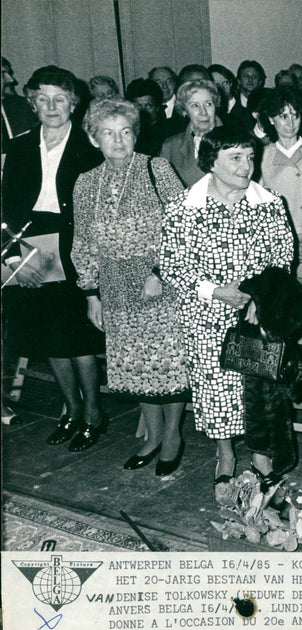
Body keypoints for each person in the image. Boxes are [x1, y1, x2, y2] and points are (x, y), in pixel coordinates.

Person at [159, 125, 294, 485]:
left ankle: (262, 457)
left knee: (260, 389)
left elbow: (284, 257)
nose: (246, 166)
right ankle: (225, 453)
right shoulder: (184, 208)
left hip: (257, 314)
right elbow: (172, 264)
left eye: (250, 157)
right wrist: (215, 291)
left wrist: (260, 298)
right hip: (207, 315)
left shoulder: (270, 205)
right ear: (211, 162)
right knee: (216, 389)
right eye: (235, 158)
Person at [71, 98, 189, 474]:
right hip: (115, 286)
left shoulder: (158, 169)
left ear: (135, 135)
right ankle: (151, 435)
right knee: (136, 366)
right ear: (94, 139)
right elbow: (84, 241)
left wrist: (159, 273)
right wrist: (92, 294)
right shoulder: (86, 183)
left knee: (169, 365)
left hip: (161, 282)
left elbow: (182, 227)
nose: (118, 141)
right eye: (108, 133)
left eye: (125, 132)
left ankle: (172, 435)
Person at [2, 66, 106, 451]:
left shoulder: (89, 146)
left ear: (73, 104)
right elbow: (7, 206)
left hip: (76, 242)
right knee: (49, 335)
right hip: (32, 244)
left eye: (59, 98)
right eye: (42, 98)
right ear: (32, 103)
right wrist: (15, 258)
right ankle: (72, 411)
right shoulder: (19, 146)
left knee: (77, 335)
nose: (51, 106)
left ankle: (94, 414)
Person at [258, 86, 302, 398]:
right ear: (271, 119)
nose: (289, 122)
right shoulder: (262, 155)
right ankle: (284, 395)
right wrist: (282, 244)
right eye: (282, 116)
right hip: (276, 253)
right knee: (281, 323)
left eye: (295, 115)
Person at [159, 79, 222, 187]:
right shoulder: (170, 147)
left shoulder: (238, 141)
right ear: (184, 111)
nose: (203, 112)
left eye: (208, 104)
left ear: (215, 106)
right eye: (195, 105)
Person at [125, 78, 164, 155]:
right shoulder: (127, 134)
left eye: (148, 106)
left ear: (157, 108)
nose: (143, 111)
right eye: (138, 106)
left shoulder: (168, 133)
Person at [228, 60, 265, 133]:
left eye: (254, 77)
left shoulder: (267, 101)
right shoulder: (231, 102)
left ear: (260, 81)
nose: (250, 80)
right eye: (246, 76)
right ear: (238, 80)